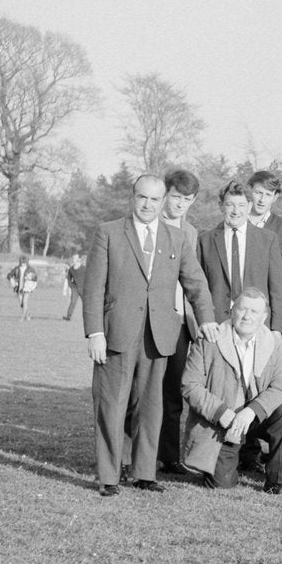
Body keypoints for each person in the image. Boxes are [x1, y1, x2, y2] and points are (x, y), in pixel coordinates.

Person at [82, 173, 218, 496]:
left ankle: (144, 473)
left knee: (151, 406)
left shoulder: (176, 238)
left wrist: (207, 319)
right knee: (112, 406)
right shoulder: (109, 232)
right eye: (142, 197)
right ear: (133, 197)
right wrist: (94, 333)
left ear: (162, 202)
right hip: (116, 334)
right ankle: (109, 477)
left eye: (155, 200)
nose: (148, 204)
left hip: (158, 337)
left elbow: (196, 283)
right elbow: (93, 289)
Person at [181, 288, 282, 493]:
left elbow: (280, 387)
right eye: (242, 309)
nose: (247, 316)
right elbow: (190, 385)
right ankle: (230, 456)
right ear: (232, 311)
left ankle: (277, 482)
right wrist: (222, 413)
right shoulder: (209, 340)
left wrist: (252, 411)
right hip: (222, 422)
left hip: (252, 416)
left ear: (264, 317)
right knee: (222, 485)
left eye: (254, 312)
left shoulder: (272, 342)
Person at [156, 167, 203, 471]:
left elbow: (193, 280)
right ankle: (131, 456)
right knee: (141, 391)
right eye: (175, 197)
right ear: (165, 193)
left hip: (179, 321)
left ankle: (169, 457)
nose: (180, 204)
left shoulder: (191, 232)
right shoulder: (147, 224)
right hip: (149, 320)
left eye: (187, 200)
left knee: (173, 391)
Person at [197, 180, 282, 332]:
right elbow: (199, 288)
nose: (235, 211)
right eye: (230, 204)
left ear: (250, 206)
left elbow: (277, 289)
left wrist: (276, 329)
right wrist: (203, 322)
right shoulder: (205, 241)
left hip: (256, 325)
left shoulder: (268, 240)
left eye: (241, 205)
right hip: (217, 325)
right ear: (220, 206)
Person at [246, 169, 282, 259]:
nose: (262, 200)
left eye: (268, 195)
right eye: (258, 193)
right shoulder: (236, 223)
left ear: (275, 197)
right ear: (249, 190)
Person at [7, 254, 37, 321]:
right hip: (19, 288)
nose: (23, 263)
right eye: (22, 262)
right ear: (20, 261)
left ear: (27, 261)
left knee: (25, 302)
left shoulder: (31, 269)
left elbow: (35, 278)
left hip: (27, 288)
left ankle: (22, 318)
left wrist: (31, 284)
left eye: (25, 262)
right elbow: (9, 275)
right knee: (21, 303)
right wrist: (11, 279)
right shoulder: (16, 268)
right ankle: (28, 314)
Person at [63, 254, 85, 321]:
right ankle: (68, 316)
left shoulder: (84, 268)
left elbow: (89, 277)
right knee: (72, 302)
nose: (74, 259)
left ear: (79, 259)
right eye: (73, 258)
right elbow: (69, 278)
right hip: (75, 288)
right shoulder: (71, 269)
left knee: (85, 303)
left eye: (75, 258)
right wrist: (71, 286)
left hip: (83, 288)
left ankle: (86, 317)